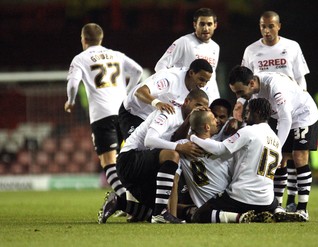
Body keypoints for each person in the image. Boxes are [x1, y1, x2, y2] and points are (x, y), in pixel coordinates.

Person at [64, 23, 143, 220]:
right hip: (124, 112)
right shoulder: (116, 54)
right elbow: (138, 71)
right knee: (128, 159)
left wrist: (71, 101)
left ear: (83, 39)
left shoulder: (80, 59)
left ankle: (125, 202)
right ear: (101, 38)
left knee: (108, 161)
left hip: (102, 115)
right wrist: (128, 93)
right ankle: (133, 202)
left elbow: (73, 83)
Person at [99, 88, 210, 224]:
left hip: (146, 170)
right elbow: (149, 141)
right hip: (129, 160)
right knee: (173, 154)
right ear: (186, 101)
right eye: (197, 105)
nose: (198, 110)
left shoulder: (188, 122)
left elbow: (174, 139)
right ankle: (160, 214)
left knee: (153, 211)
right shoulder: (170, 112)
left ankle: (119, 203)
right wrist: (179, 147)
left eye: (203, 108)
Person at [228, 66, 318, 221]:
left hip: (303, 114)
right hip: (281, 119)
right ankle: (276, 206)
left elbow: (286, 118)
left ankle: (303, 209)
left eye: (240, 92)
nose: (239, 97)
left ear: (251, 83)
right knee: (281, 161)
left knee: (298, 157)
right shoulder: (254, 88)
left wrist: (277, 148)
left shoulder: (275, 87)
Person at [241, 11, 311, 210]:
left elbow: (300, 77)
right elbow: (246, 82)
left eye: (271, 26)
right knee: (280, 158)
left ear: (279, 26)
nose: (267, 30)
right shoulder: (251, 50)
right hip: (265, 111)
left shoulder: (292, 47)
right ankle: (278, 203)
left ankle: (292, 200)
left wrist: (301, 96)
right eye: (263, 26)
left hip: (290, 107)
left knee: (294, 156)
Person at [189, 98, 292, 223]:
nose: (245, 116)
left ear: (257, 112)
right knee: (271, 201)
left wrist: (194, 138)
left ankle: (239, 218)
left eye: (248, 112)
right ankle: (278, 211)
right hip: (267, 200)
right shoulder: (276, 140)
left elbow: (220, 149)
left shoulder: (249, 131)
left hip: (242, 196)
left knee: (200, 214)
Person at [119, 58, 213, 140]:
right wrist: (158, 103)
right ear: (191, 73)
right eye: (201, 79)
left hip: (155, 119)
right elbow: (140, 92)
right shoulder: (170, 78)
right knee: (135, 150)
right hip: (134, 113)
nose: (203, 84)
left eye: (206, 81)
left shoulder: (200, 89)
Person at [154, 7, 220, 103]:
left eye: (209, 24)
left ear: (215, 25)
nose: (206, 28)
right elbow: (160, 66)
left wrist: (216, 100)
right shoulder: (184, 42)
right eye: (202, 24)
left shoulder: (215, 47)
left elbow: (212, 77)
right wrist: (170, 90)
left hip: (200, 101)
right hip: (181, 100)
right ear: (194, 25)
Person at [176, 109, 232, 222]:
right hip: (226, 200)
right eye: (213, 119)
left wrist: (191, 137)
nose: (217, 121)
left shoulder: (182, 146)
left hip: (202, 206)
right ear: (207, 127)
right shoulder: (219, 146)